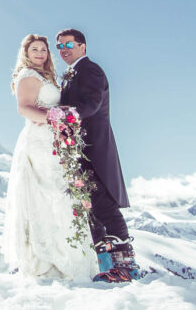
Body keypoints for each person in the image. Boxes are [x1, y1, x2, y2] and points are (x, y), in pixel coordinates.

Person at [2, 34, 98, 279]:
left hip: (54, 142)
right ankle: (48, 263)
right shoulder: (27, 76)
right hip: (39, 141)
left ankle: (71, 259)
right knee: (47, 194)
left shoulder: (47, 77)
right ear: (26, 53)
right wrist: (54, 117)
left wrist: (61, 116)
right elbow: (24, 108)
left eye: (44, 50)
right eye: (34, 49)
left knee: (62, 194)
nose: (40, 54)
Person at [56, 28, 142, 282]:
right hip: (77, 151)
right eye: (59, 46)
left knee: (104, 203)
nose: (63, 49)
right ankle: (106, 264)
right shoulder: (70, 75)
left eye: (68, 44)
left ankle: (127, 266)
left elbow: (91, 103)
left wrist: (64, 117)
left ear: (83, 47)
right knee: (90, 207)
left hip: (93, 148)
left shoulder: (90, 70)